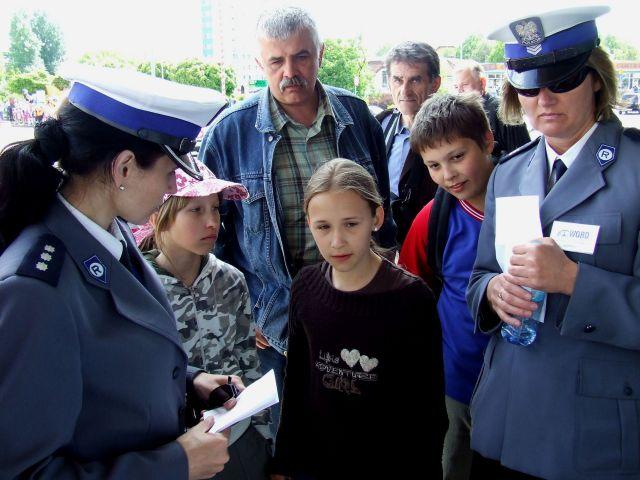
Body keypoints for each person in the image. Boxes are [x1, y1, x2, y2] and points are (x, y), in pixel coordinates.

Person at [0, 66, 235, 479]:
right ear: (124, 168)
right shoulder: (33, 291)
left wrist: (187, 381)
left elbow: (102, 370)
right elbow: (25, 472)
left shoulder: (108, 230)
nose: (170, 188)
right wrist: (175, 464)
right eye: (168, 172)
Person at [200, 6, 395, 432]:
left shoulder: (358, 116)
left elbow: (384, 210)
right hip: (275, 322)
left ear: (320, 55)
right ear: (260, 64)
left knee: (360, 431)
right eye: (277, 61)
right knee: (289, 439)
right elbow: (210, 240)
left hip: (359, 306)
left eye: (301, 56)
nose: (290, 71)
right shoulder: (230, 134)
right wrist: (243, 312)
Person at [466, 7, 640, 479]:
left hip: (590, 432)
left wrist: (574, 281)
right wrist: (492, 293)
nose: (543, 99)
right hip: (508, 414)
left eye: (561, 80)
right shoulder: (509, 172)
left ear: (596, 80)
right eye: (527, 85)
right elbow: (480, 274)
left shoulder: (635, 172)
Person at [270, 158, 446, 479]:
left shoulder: (411, 298)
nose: (337, 241)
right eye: (323, 227)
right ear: (309, 222)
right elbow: (296, 382)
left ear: (376, 217)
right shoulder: (305, 287)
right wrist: (285, 461)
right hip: (317, 464)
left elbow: (427, 411)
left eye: (351, 224)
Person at [135, 160, 272, 479]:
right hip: (171, 451)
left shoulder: (231, 280)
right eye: (195, 210)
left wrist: (263, 434)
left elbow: (247, 358)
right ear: (159, 216)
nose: (212, 221)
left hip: (238, 437)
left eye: (215, 208)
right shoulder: (136, 286)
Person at [399, 93, 495, 480]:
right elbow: (408, 294)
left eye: (457, 157)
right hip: (456, 381)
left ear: (487, 141)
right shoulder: (432, 219)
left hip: (523, 386)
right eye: (434, 165)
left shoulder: (535, 202)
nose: (448, 175)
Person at [376, 41, 441, 244]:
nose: (405, 90)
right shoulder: (379, 125)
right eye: (397, 80)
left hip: (431, 242)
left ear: (435, 83)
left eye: (415, 80)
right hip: (383, 242)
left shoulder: (450, 130)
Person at [453, 60, 530, 160]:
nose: (459, 91)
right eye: (456, 87)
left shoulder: (503, 111)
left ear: (482, 83)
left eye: (465, 85)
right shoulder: (460, 116)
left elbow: (523, 155)